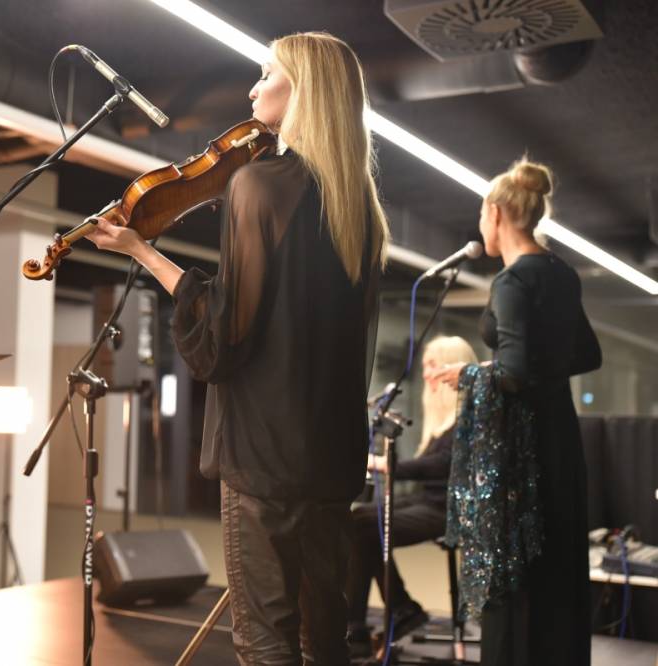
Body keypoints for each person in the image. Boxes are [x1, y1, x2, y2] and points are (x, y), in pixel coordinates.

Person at [87, 31, 389, 665]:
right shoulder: (360, 207)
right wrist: (143, 249)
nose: (252, 90)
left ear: (303, 92)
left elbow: (224, 335)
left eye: (266, 74)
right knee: (323, 638)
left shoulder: (259, 185)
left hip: (264, 454)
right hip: (331, 457)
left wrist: (140, 251)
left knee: (265, 641)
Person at [435, 158, 601, 666]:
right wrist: (525, 365)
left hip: (519, 456)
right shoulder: (561, 273)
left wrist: (469, 374)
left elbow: (512, 374)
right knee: (557, 572)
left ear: (496, 212)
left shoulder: (511, 282)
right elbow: (587, 355)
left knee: (516, 576)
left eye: (480, 214)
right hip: (560, 441)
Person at [345, 336, 478, 650]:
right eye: (425, 366)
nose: (427, 374)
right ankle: (395, 610)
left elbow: (444, 464)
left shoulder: (469, 414)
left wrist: (387, 465)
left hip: (449, 509)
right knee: (359, 520)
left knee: (363, 527)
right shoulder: (442, 419)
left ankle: (367, 622)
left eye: (433, 365)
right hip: (429, 499)